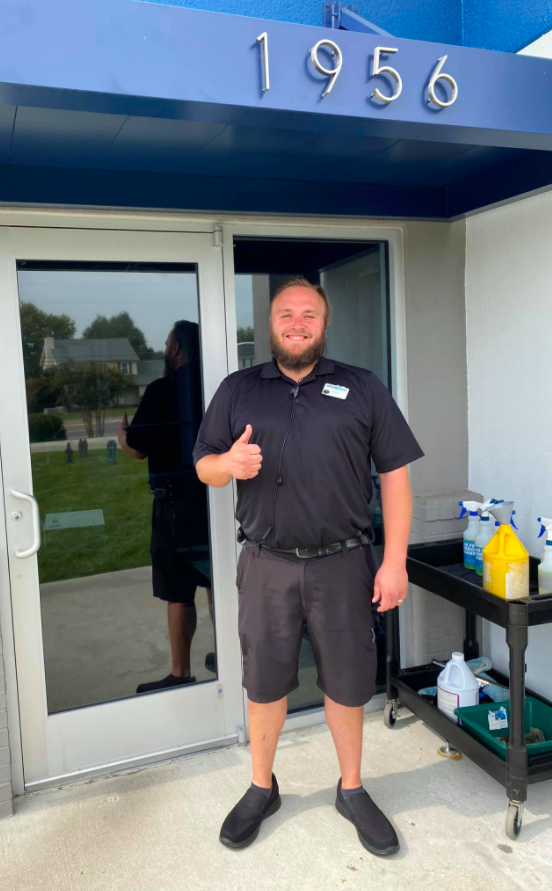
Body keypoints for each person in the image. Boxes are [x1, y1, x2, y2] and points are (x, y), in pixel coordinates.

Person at [193, 277, 424, 857]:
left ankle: (352, 789)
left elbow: (395, 477)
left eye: (309, 315)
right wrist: (228, 463)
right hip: (265, 565)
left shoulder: (363, 387)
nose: (297, 323)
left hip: (343, 565)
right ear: (271, 325)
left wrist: (394, 561)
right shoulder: (238, 389)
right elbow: (203, 466)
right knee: (264, 681)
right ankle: (261, 787)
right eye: (286, 314)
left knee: (347, 683)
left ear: (324, 325)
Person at [118, 320, 214, 694]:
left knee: (179, 591)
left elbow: (138, 448)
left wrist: (122, 435)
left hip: (174, 504)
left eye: (166, 344)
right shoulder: (215, 387)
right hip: (214, 500)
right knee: (216, 581)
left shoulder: (162, 389)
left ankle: (180, 673)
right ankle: (229, 657)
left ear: (175, 349)